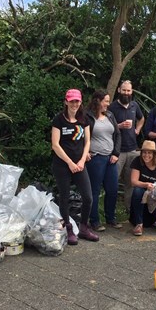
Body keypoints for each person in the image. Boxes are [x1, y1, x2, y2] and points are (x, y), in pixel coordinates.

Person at [51, 89, 99, 245]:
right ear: (66, 101)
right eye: (71, 101)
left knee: (88, 197)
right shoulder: (59, 120)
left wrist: (82, 160)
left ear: (81, 102)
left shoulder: (83, 119)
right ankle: (68, 228)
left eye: (77, 101)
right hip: (62, 165)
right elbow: (55, 145)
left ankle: (84, 227)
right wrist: (70, 163)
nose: (74, 104)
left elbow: (87, 142)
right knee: (64, 197)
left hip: (79, 164)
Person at [85, 90, 122, 231]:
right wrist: (85, 152)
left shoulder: (110, 115)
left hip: (111, 158)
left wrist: (116, 153)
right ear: (98, 101)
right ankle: (94, 221)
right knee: (94, 190)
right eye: (106, 101)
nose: (108, 103)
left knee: (112, 189)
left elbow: (117, 134)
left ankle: (111, 218)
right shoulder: (87, 116)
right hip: (96, 158)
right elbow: (82, 136)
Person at [108, 80, 145, 216]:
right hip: (117, 151)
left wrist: (137, 129)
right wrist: (119, 126)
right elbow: (106, 127)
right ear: (119, 90)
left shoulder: (135, 105)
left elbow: (141, 119)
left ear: (132, 92)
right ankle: (111, 214)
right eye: (124, 90)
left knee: (131, 183)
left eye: (128, 91)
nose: (126, 93)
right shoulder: (111, 108)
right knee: (113, 182)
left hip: (133, 150)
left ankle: (130, 212)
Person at [130, 140, 156, 236]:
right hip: (142, 196)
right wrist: (146, 185)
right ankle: (139, 223)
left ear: (154, 154)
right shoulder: (137, 161)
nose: (146, 155)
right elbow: (133, 181)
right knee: (137, 190)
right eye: (144, 152)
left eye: (149, 153)